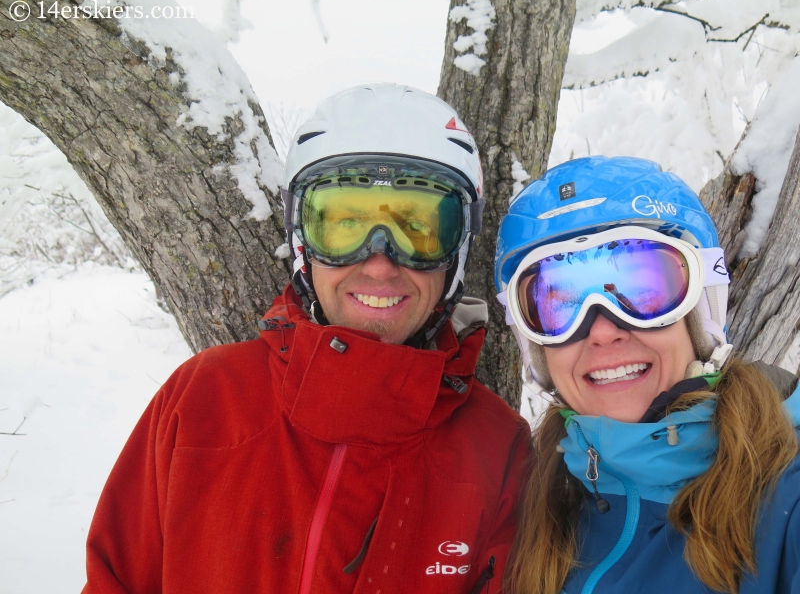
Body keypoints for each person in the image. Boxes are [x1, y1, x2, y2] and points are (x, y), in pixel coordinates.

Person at [82, 84, 529, 594]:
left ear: (458, 251)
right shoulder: (205, 398)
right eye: (344, 225)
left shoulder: (498, 448)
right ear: (301, 240)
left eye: (418, 228)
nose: (380, 262)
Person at [494, 156, 800, 594]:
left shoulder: (787, 494)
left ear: (699, 311)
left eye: (640, 290)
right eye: (560, 303)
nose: (602, 330)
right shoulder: (539, 501)